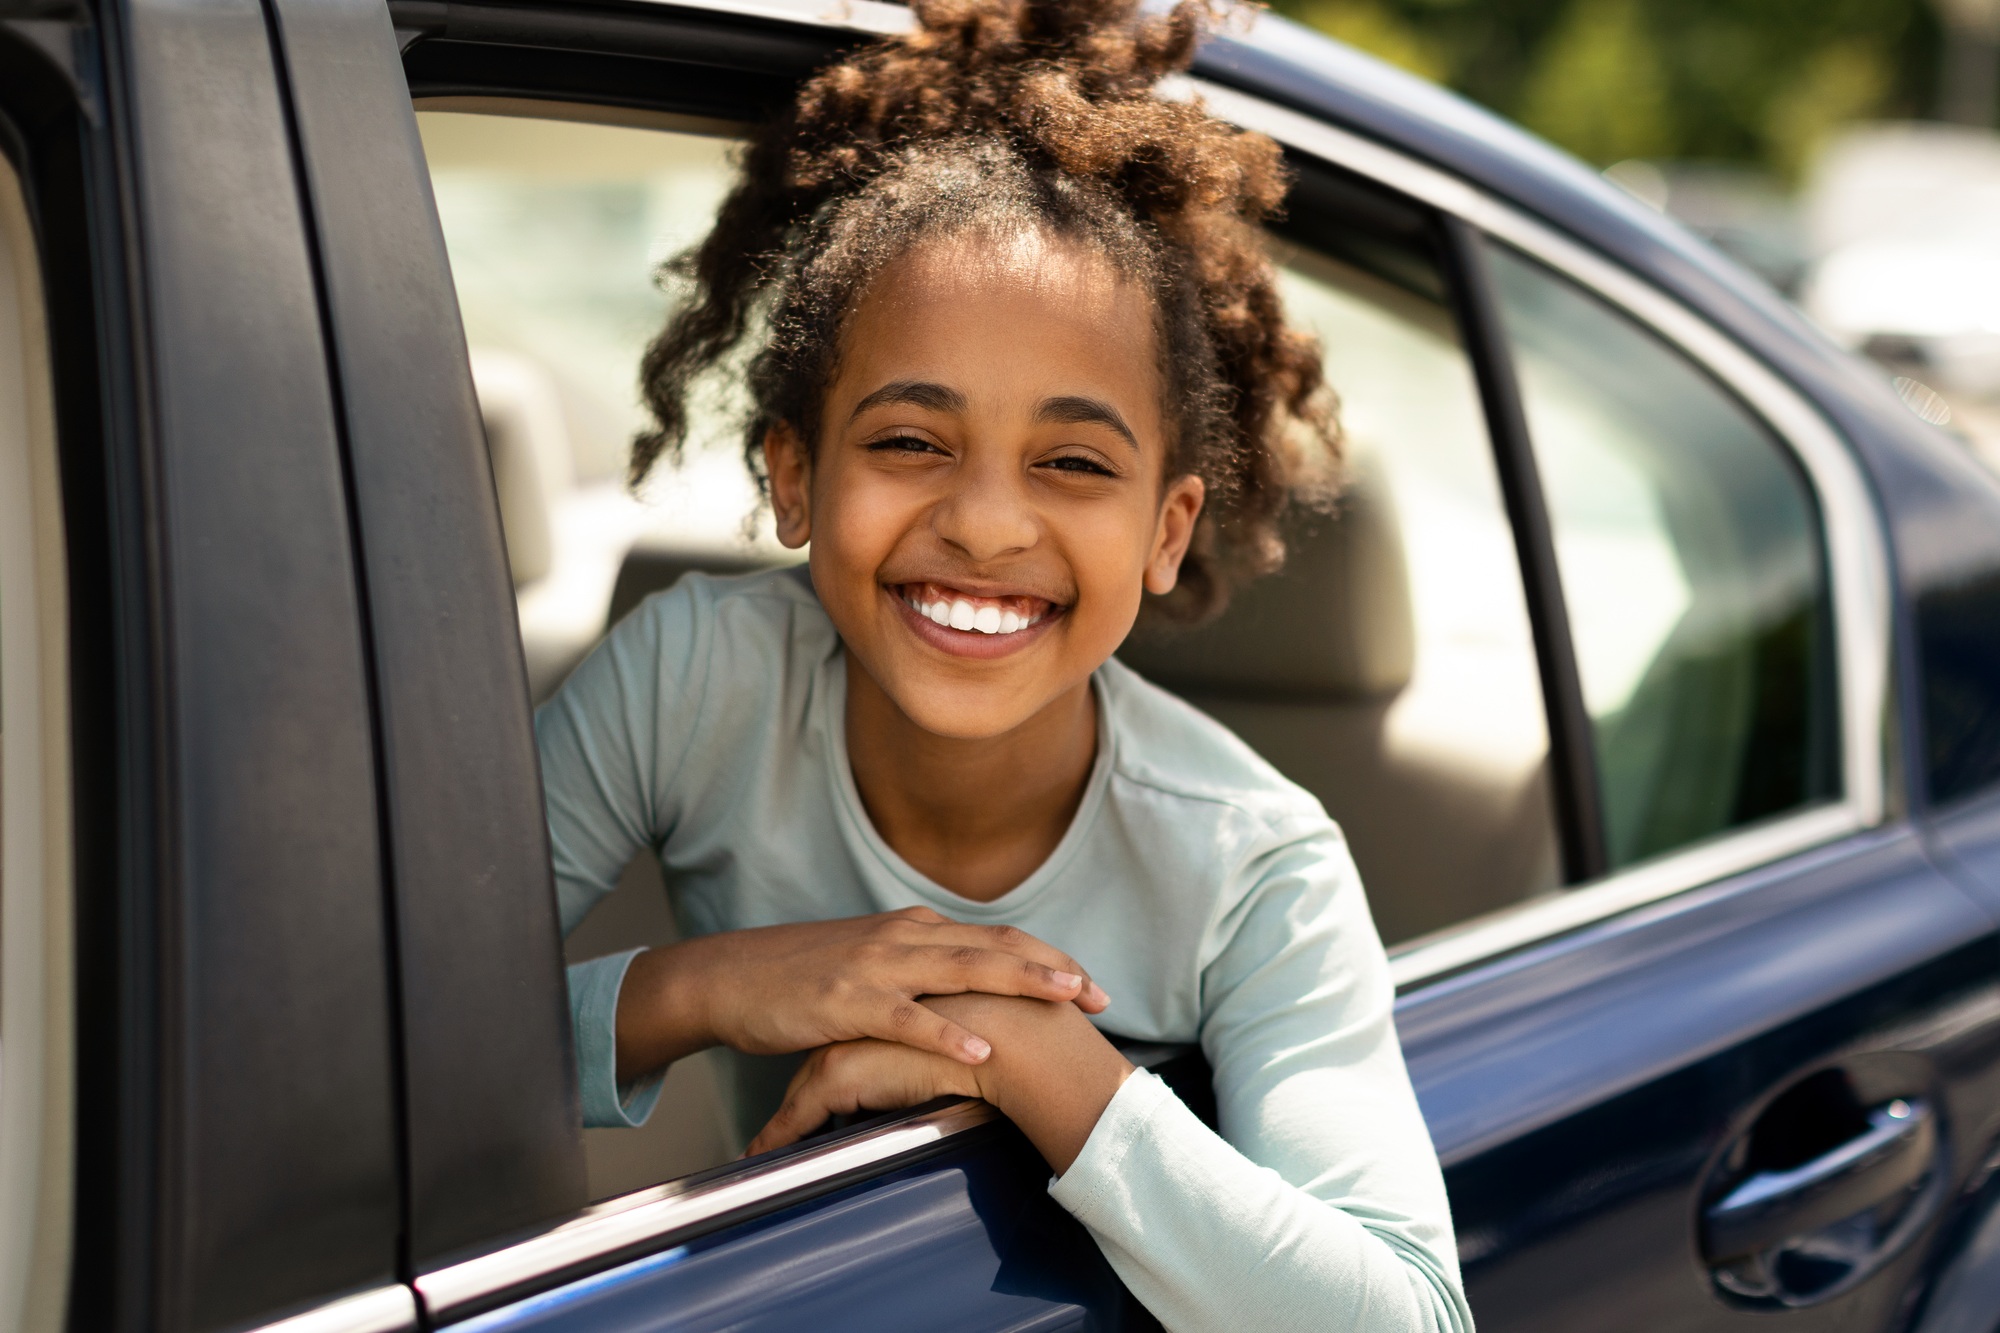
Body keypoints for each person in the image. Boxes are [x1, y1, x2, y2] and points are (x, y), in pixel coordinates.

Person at [537, 0, 1473, 1326]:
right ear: (793, 476)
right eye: (912, 439)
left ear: (1167, 528)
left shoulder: (1253, 862)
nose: (983, 523)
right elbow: (356, 1048)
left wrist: (1030, 1060)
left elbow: (1414, 1317)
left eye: (1075, 462)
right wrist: (709, 985)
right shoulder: (694, 678)